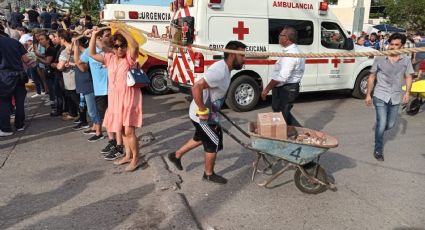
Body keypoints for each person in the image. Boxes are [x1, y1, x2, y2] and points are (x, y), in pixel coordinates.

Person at [168, 41, 247, 184]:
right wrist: (202, 109)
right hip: (202, 116)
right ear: (232, 55)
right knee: (214, 140)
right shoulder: (219, 71)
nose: (244, 59)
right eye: (242, 55)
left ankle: (176, 155)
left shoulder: (226, 69)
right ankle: (208, 174)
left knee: (201, 137)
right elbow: (196, 87)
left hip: (208, 113)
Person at [89, 27, 142, 171]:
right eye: (116, 46)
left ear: (125, 47)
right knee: (122, 131)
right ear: (113, 47)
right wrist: (94, 35)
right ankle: (128, 155)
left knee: (129, 131)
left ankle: (136, 159)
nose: (119, 49)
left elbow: (135, 45)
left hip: (129, 98)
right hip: (115, 100)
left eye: (122, 46)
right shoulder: (109, 58)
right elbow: (92, 53)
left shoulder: (129, 59)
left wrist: (123, 31)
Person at [365, 33, 413, 161]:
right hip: (380, 94)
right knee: (381, 124)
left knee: (390, 124)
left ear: (402, 45)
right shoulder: (380, 58)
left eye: (397, 45)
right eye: (391, 44)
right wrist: (368, 94)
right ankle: (378, 149)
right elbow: (372, 76)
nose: (393, 47)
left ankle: (379, 131)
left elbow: (408, 76)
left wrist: (408, 92)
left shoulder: (406, 60)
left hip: (396, 96)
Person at [81, 25, 122, 157]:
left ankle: (119, 145)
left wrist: (94, 35)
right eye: (106, 35)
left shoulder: (113, 52)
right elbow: (91, 52)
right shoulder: (96, 49)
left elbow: (102, 47)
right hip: (100, 90)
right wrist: (92, 34)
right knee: (107, 119)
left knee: (116, 119)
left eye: (110, 35)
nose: (109, 37)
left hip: (113, 90)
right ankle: (112, 141)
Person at [261, 26, 305, 125]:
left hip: (287, 89)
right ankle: (299, 133)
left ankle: (297, 134)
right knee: (281, 113)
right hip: (284, 88)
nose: (278, 37)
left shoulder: (291, 54)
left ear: (286, 38)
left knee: (281, 116)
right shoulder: (289, 51)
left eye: (280, 35)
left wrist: (267, 89)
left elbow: (281, 78)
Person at [0, 33, 30, 136]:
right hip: (19, 74)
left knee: (4, 102)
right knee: (19, 101)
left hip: (4, 76)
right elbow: (26, 59)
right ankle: (20, 125)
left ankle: (6, 128)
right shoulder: (14, 42)